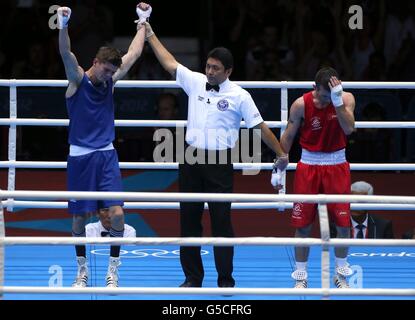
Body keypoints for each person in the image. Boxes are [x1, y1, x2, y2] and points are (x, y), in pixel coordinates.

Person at [144, 22, 289, 288]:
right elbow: (169, 62)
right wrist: (149, 32)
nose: (209, 72)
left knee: (221, 222)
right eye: (208, 66)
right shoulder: (196, 81)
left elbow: (260, 127)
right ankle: (192, 278)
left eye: (215, 68)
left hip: (220, 162)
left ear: (228, 71)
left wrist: (281, 152)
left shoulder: (240, 96)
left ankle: (225, 279)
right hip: (190, 158)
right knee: (188, 220)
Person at [57, 3, 151, 288]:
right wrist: (63, 25)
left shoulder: (110, 81)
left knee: (119, 214)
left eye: (113, 72)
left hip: (107, 155)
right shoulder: (77, 80)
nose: (109, 76)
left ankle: (113, 271)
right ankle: (81, 272)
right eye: (106, 70)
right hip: (80, 157)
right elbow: (65, 53)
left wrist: (142, 22)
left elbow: (133, 54)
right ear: (96, 62)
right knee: (78, 220)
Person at [280, 67, 356, 289]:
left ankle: (341, 276)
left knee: (342, 224)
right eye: (323, 96)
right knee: (303, 225)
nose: (325, 102)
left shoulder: (346, 99)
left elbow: (349, 128)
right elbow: (288, 136)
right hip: (309, 165)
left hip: (337, 165)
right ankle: (301, 277)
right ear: (314, 88)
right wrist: (279, 166)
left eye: (328, 96)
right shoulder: (301, 104)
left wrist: (337, 100)